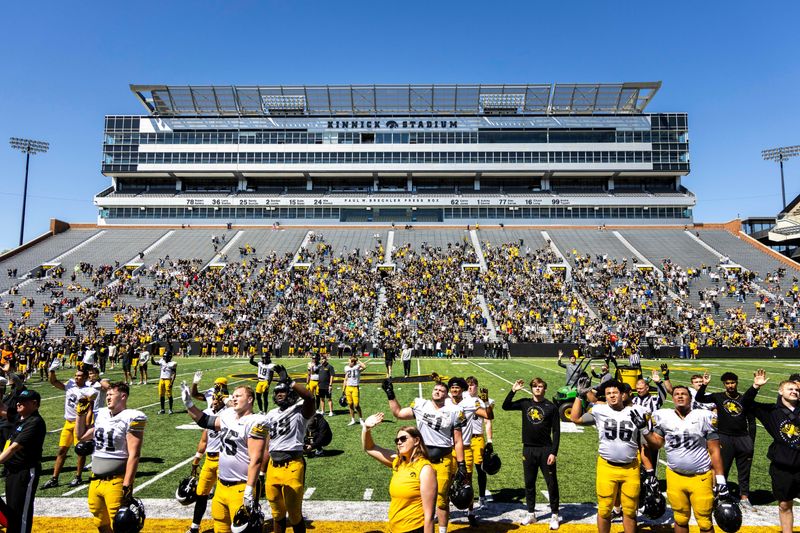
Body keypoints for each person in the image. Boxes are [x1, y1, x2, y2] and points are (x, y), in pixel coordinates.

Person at [181, 382, 266, 533]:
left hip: (240, 486)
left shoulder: (256, 421)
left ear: (250, 399)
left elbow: (256, 459)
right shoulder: (227, 415)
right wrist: (189, 404)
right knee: (220, 528)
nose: (234, 399)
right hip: (221, 486)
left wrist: (249, 489)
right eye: (233, 396)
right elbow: (205, 421)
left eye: (238, 396)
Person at [383, 378, 466, 533]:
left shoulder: (454, 411)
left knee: (441, 500)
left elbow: (458, 440)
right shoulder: (421, 405)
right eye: (436, 389)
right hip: (421, 460)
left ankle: (442, 531)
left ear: (446, 395)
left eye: (441, 390)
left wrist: (461, 464)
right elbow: (398, 413)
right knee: (417, 497)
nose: (437, 392)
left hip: (443, 460)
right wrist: (390, 394)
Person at [570, 380, 649, 533]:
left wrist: (649, 470)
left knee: (630, 511)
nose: (612, 396)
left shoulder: (637, 411)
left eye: (615, 393)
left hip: (630, 467)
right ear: (605, 396)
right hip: (607, 466)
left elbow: (645, 444)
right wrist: (579, 396)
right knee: (605, 510)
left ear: (622, 394)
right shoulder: (600, 410)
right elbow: (575, 418)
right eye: (608, 394)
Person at [647, 385, 728, 533]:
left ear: (690, 398)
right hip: (675, 475)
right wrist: (645, 431)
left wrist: (720, 478)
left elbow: (714, 450)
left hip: (700, 476)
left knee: (704, 521)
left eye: (683, 394)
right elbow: (657, 444)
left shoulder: (704, 416)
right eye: (676, 394)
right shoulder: (664, 417)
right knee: (680, 518)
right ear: (673, 398)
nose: (680, 396)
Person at [75, 382, 147, 533]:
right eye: (106, 395)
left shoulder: (132, 417)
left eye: (111, 395)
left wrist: (127, 485)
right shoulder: (102, 414)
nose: (107, 398)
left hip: (116, 482)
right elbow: (80, 436)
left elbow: (134, 454)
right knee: (100, 523)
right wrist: (80, 415)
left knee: (121, 526)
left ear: (123, 396)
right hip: (95, 480)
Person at [744, 370, 800, 533]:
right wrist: (755, 387)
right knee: (784, 504)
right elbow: (745, 404)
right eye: (790, 389)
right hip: (782, 466)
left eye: (796, 390)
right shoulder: (771, 412)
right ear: (780, 391)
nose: (794, 391)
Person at [361, 413, 436, 533]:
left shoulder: (425, 469)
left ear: (416, 441)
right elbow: (370, 448)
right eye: (397, 440)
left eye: (403, 439)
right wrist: (366, 428)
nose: (399, 442)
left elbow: (429, 516)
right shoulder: (398, 462)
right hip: (394, 529)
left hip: (413, 529)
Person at [263, 365, 315, 533]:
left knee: (294, 515)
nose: (279, 394)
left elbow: (310, 398)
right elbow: (267, 443)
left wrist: (290, 382)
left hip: (292, 464)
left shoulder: (300, 410)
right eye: (277, 392)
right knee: (277, 514)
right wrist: (262, 471)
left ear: (291, 394)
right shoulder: (271, 414)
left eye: (283, 391)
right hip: (273, 465)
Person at [503, 377, 560, 529]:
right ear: (532, 388)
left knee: (551, 483)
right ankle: (531, 513)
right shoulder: (525, 403)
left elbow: (556, 431)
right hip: (528, 449)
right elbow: (505, 406)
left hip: (545, 449)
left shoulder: (551, 407)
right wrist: (513, 391)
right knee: (529, 483)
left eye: (540, 386)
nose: (537, 389)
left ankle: (554, 514)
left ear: (545, 388)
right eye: (534, 386)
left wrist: (553, 452)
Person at [695, 371, 757, 509]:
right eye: (727, 383)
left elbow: (752, 422)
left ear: (737, 383)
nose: (730, 385)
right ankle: (719, 495)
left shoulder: (745, 399)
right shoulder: (718, 397)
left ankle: (744, 497)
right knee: (722, 468)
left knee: (744, 470)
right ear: (724, 384)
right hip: (724, 437)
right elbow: (700, 398)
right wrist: (704, 385)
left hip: (743, 438)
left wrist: (751, 441)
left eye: (733, 383)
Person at [446, 377, 493, 526]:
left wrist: (486, 403)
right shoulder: (444, 402)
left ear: (463, 390)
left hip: (465, 447)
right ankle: (444, 511)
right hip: (447, 448)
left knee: (467, 481)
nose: (455, 390)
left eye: (458, 388)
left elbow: (489, 416)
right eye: (452, 388)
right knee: (446, 481)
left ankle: (471, 512)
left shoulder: (471, 403)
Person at [42, 360, 94, 489]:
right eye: (76, 375)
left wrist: (86, 426)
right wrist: (52, 371)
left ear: (86, 377)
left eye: (80, 376)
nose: (76, 377)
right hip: (68, 422)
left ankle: (78, 476)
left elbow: (90, 410)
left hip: (79, 424)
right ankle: (54, 478)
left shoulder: (89, 390)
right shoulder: (70, 384)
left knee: (80, 451)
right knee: (61, 450)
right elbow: (54, 382)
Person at [0, 389, 46, 533]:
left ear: (34, 404)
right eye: (18, 400)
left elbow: (14, 448)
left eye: (23, 401)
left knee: (21, 515)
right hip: (12, 471)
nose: (18, 403)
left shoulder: (35, 422)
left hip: (25, 472)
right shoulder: (20, 418)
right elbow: (2, 409)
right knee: (12, 510)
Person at [186, 390, 228, 533]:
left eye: (217, 400)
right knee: (201, 493)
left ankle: (225, 526)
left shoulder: (229, 415)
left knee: (223, 496)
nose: (214, 403)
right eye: (213, 400)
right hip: (209, 460)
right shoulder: (210, 415)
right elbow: (204, 440)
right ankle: (194, 527)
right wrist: (196, 459)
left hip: (224, 460)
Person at [465, 376, 493, 507]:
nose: (470, 387)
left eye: (472, 385)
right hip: (463, 438)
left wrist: (490, 440)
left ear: (477, 386)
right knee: (464, 470)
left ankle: (481, 497)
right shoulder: (461, 398)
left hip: (477, 437)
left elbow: (488, 422)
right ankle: (466, 497)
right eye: (468, 385)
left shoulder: (484, 400)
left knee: (480, 468)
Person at [343, 356, 367, 426]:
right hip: (348, 387)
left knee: (356, 405)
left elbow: (364, 366)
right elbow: (346, 378)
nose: (348, 363)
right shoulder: (346, 368)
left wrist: (358, 360)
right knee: (350, 404)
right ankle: (353, 419)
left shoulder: (357, 368)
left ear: (353, 362)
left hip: (355, 387)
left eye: (349, 361)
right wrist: (343, 389)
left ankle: (361, 419)